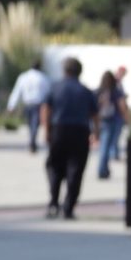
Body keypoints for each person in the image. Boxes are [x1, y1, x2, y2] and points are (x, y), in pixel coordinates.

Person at [39, 57, 97, 220]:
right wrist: (96, 133)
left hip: (59, 130)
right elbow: (95, 114)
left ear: (64, 71)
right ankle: (68, 207)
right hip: (80, 131)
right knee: (76, 169)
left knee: (54, 167)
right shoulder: (86, 91)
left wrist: (46, 130)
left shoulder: (55, 88)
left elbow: (46, 109)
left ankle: (53, 202)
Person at [8, 59, 51, 154]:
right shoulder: (43, 78)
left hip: (28, 104)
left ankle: (32, 141)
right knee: (34, 124)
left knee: (31, 124)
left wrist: (11, 105)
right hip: (38, 105)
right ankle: (32, 141)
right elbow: (48, 93)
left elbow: (17, 92)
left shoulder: (24, 77)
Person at [95, 70, 130, 178]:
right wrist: (128, 119)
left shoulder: (98, 91)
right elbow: (122, 106)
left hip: (101, 120)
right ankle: (102, 169)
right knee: (106, 145)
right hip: (112, 120)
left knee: (103, 145)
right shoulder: (115, 91)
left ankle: (104, 167)